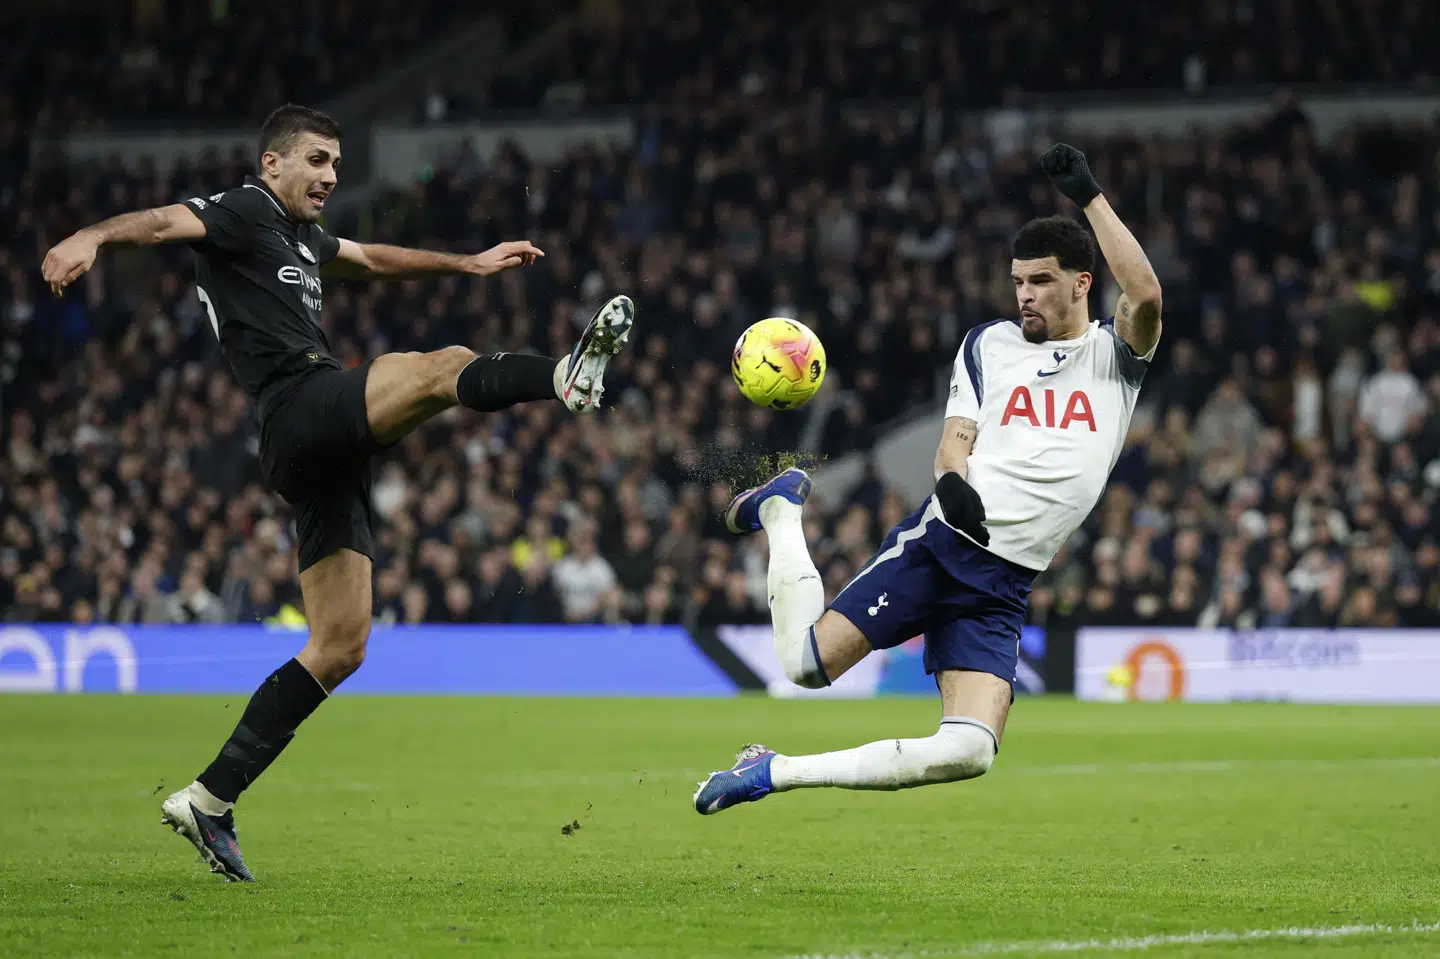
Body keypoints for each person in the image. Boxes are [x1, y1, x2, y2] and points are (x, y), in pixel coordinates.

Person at [42, 104, 635, 880]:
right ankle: (562, 375)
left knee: (341, 644)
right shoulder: (244, 210)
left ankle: (210, 799)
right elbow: (158, 224)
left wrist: (467, 264)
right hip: (294, 409)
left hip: (320, 449)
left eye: (335, 165)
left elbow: (369, 259)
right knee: (437, 365)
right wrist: (90, 235)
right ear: (272, 165)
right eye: (316, 161)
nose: (328, 177)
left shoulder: (299, 238)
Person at [694, 144, 1162, 814]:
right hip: (944, 547)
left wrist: (1089, 194)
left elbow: (1145, 293)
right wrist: (951, 484)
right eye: (1017, 281)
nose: (1024, 294)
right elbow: (954, 444)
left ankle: (773, 770)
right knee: (804, 665)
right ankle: (781, 512)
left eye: (1040, 280)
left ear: (1082, 283)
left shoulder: (1115, 358)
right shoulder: (988, 344)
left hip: (1006, 581)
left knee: (970, 750)